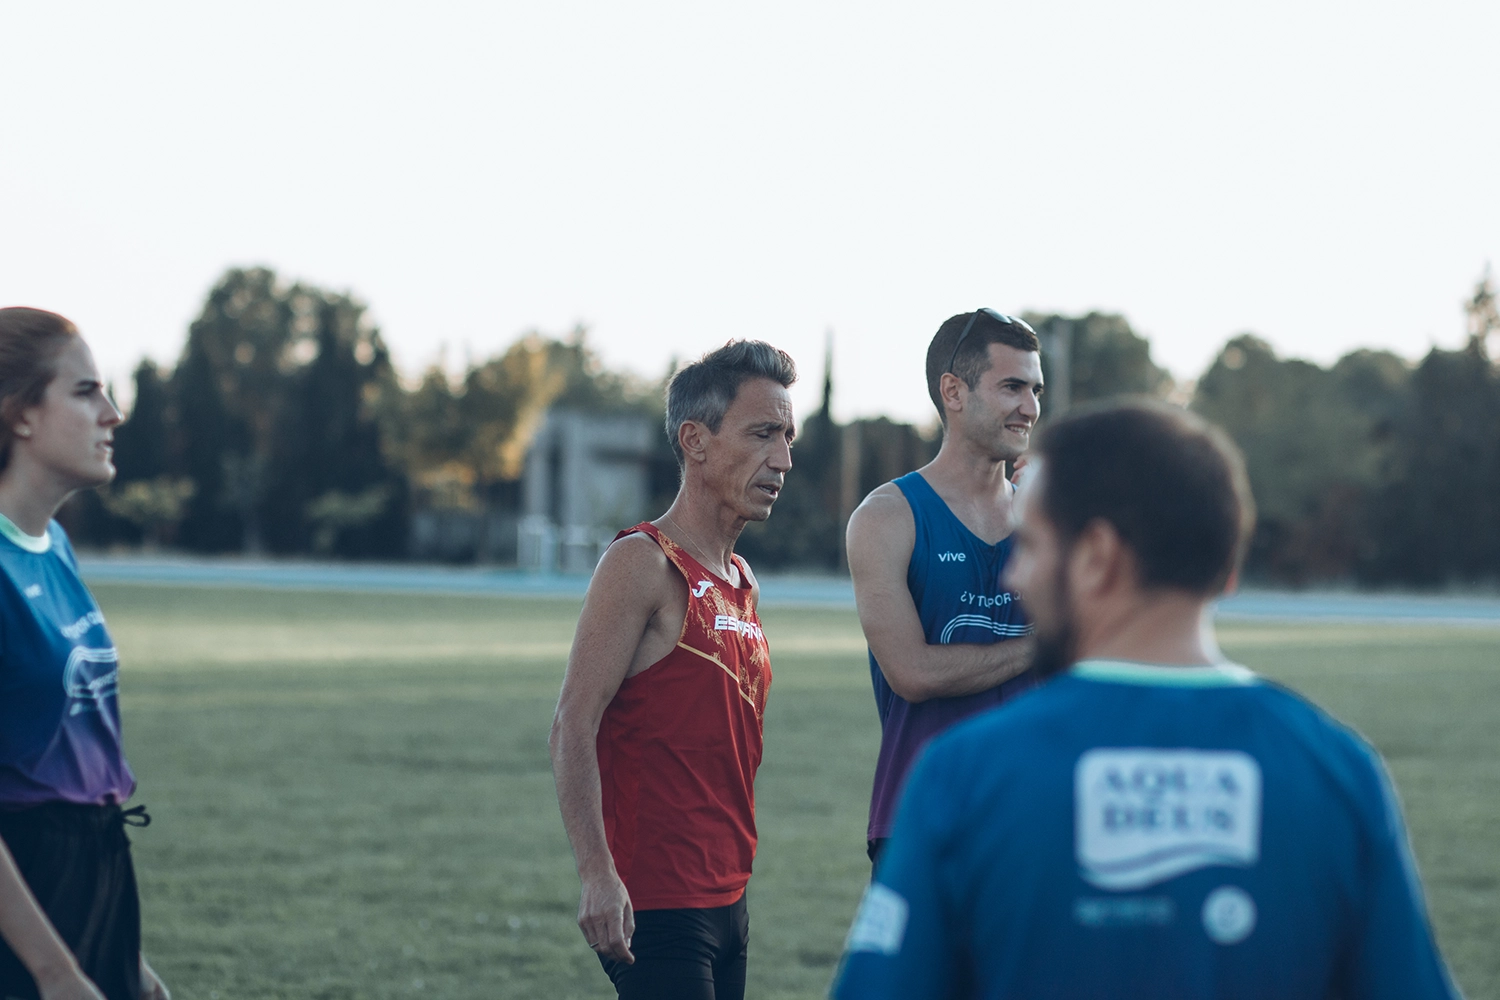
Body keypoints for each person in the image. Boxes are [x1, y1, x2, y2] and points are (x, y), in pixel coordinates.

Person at [831, 400, 1460, 999]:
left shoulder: (963, 776)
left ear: (1097, 559)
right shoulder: (1341, 773)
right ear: (1226, 568)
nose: (1016, 575)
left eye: (1032, 549)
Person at [549, 340, 796, 1000]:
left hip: (730, 898)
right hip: (654, 900)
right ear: (697, 440)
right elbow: (573, 723)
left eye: (789, 437)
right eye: (763, 434)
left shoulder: (742, 580)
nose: (783, 459)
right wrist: (597, 874)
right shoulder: (642, 563)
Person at [0, 308, 170, 1000]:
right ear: (19, 415)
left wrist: (120, 952)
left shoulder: (56, 547)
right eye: (85, 391)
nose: (113, 413)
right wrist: (54, 971)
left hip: (93, 886)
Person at [844, 309, 1041, 865]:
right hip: (921, 819)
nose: (1030, 407)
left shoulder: (1050, 522)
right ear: (953, 391)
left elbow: (1097, 652)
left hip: (1032, 817)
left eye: (1035, 389)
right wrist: (1040, 644)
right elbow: (913, 673)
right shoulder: (887, 517)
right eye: (1012, 386)